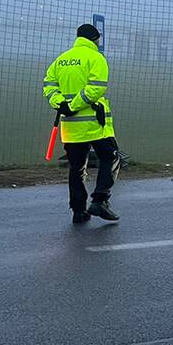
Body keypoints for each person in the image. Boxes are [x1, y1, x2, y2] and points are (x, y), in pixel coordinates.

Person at [42, 24, 120, 223]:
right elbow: (96, 88)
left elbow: (49, 86)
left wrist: (62, 104)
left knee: (76, 167)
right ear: (95, 39)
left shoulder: (61, 60)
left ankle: (78, 210)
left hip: (70, 126)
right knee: (111, 158)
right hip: (95, 125)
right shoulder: (96, 58)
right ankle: (100, 200)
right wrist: (75, 105)